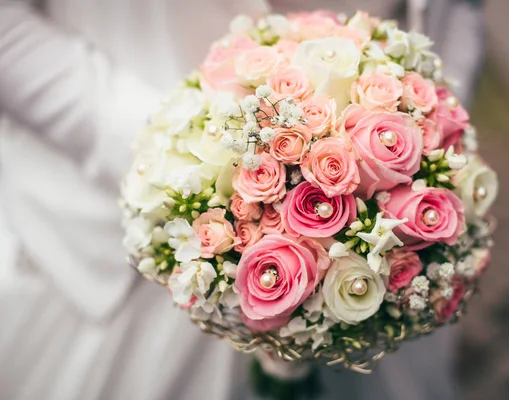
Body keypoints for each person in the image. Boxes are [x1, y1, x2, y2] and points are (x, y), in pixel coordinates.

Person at [0, 1, 483, 399]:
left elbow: (460, 9)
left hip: (386, 252)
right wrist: (175, 153)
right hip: (108, 243)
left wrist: (429, 121)